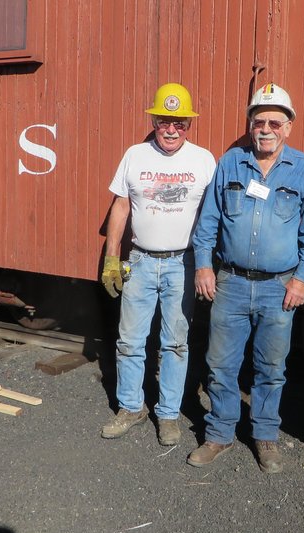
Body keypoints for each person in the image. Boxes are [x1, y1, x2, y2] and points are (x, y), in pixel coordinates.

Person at [187, 83, 304, 473]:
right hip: (229, 282)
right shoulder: (231, 162)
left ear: (288, 127)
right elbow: (208, 220)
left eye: (274, 122)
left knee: (271, 368)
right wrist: (203, 264)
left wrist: (301, 279)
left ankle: (265, 437)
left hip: (278, 287)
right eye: (259, 121)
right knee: (220, 364)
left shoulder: (303, 168)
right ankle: (219, 434)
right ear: (250, 125)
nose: (266, 129)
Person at [99, 83, 217, 446]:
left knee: (175, 344)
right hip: (141, 261)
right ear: (153, 120)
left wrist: (208, 263)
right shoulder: (135, 155)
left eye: (179, 123)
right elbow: (120, 206)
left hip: (183, 263)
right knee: (131, 341)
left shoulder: (203, 160)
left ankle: (167, 415)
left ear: (189, 126)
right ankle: (131, 407)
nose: (171, 129)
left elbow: (212, 216)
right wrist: (112, 257)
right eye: (164, 121)